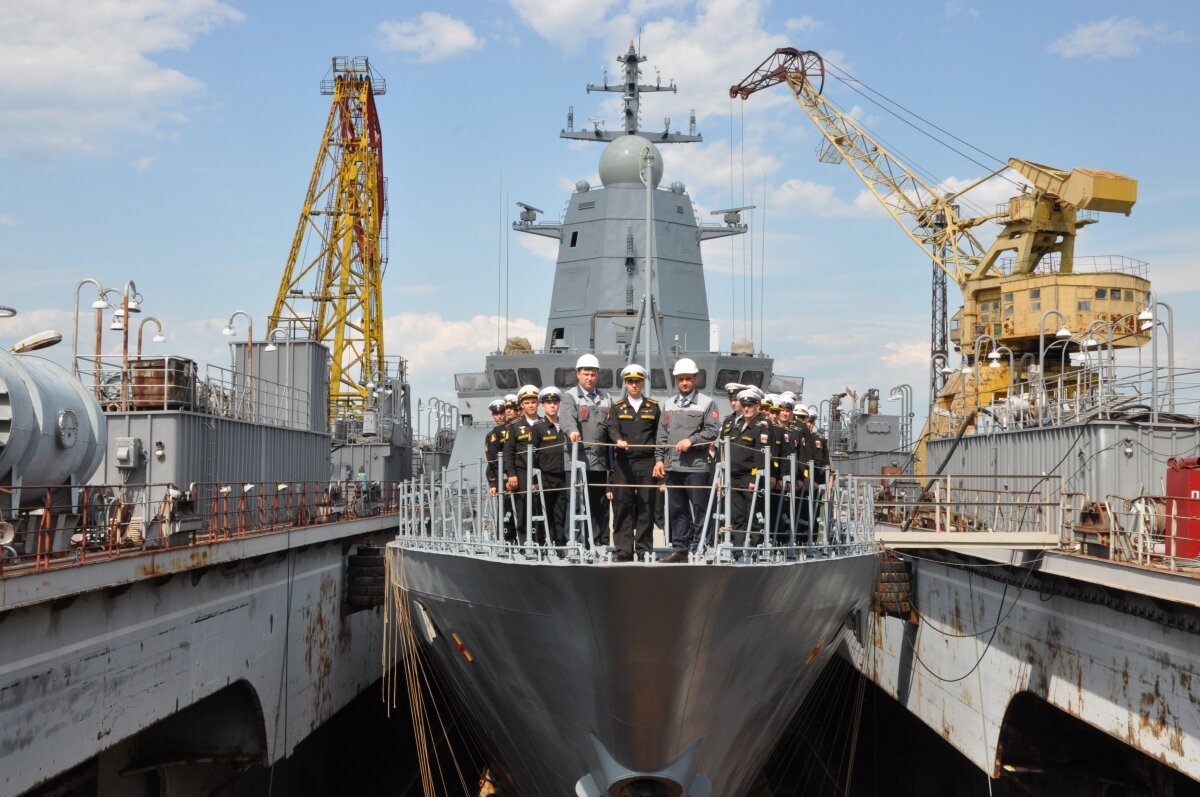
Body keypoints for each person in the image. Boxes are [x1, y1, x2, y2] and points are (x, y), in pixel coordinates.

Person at [653, 358, 720, 562]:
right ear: (676, 380)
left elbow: (712, 430)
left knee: (700, 509)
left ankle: (701, 548)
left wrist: (691, 440)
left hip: (696, 468)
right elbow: (662, 435)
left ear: (695, 379)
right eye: (681, 379)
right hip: (673, 466)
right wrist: (659, 460)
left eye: (688, 379)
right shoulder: (668, 404)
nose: (684, 382)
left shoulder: (707, 403)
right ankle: (680, 550)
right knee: (677, 510)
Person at [600, 364, 660, 561]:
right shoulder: (617, 408)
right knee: (622, 505)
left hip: (646, 461)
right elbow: (611, 428)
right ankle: (623, 549)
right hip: (624, 462)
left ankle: (643, 549)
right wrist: (618, 440)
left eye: (637, 381)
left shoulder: (653, 406)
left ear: (642, 383)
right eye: (630, 381)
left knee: (646, 505)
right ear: (625, 384)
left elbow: (659, 434)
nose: (634, 385)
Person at [559, 353, 613, 548]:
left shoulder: (606, 398)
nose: (589, 377)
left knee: (597, 503)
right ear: (578, 374)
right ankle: (572, 541)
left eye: (593, 374)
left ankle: (593, 541)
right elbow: (566, 417)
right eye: (586, 373)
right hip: (576, 460)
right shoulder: (569, 396)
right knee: (574, 501)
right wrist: (572, 431)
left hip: (598, 461)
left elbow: (611, 425)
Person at [726, 389, 776, 547]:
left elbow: (761, 453)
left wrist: (755, 477)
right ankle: (739, 548)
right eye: (744, 405)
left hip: (750, 476)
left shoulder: (762, 424)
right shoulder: (738, 424)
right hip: (734, 476)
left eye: (750, 405)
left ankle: (755, 548)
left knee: (754, 515)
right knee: (737, 516)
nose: (746, 408)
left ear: (758, 406)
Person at [503, 384, 542, 542]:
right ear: (521, 405)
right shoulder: (514, 427)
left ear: (538, 403)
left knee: (541, 507)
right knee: (523, 508)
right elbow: (508, 452)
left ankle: (542, 540)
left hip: (542, 471)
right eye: (527, 403)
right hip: (522, 472)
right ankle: (525, 541)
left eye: (533, 402)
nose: (531, 405)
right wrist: (511, 474)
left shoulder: (543, 424)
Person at [531, 386, 569, 546]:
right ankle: (541, 545)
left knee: (560, 513)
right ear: (543, 406)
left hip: (563, 477)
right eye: (549, 403)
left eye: (555, 402)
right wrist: (534, 480)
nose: (552, 406)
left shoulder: (566, 426)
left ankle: (559, 545)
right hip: (545, 478)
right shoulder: (538, 428)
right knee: (543, 513)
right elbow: (532, 455)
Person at [484, 398, 515, 541]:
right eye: (496, 414)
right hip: (503, 479)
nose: (500, 416)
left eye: (502, 412)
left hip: (517, 474)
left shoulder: (514, 429)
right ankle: (506, 541)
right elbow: (492, 462)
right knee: (506, 514)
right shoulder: (491, 436)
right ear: (493, 415)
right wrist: (493, 483)